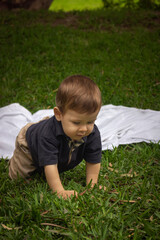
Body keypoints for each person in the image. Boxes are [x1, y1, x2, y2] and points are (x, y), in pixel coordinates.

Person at [9, 75, 102, 199]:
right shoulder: (47, 136)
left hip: (57, 135)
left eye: (90, 122)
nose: (84, 129)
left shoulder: (92, 133)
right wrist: (59, 191)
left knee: (56, 160)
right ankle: (14, 163)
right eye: (76, 122)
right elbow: (50, 165)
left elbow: (93, 159)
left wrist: (92, 184)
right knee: (17, 178)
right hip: (29, 144)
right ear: (59, 114)